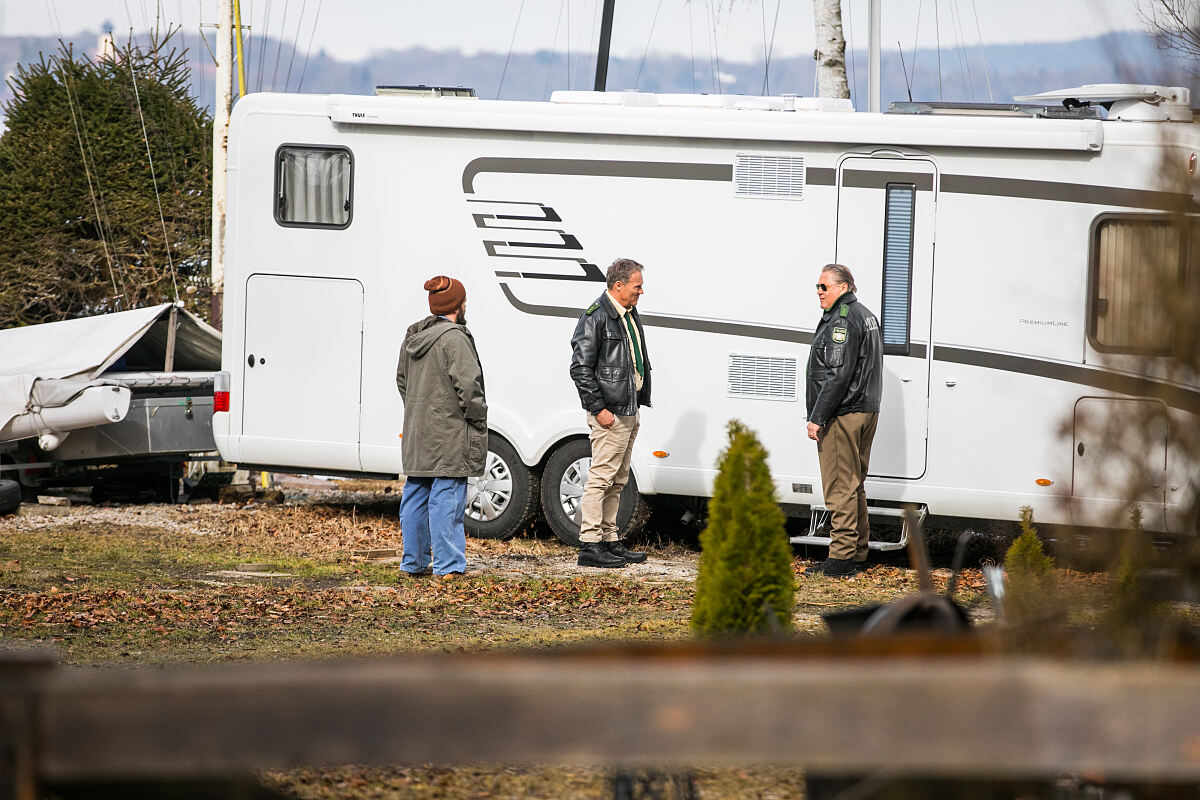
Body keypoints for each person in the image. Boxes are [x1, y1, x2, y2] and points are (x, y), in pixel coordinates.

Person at [395, 275, 487, 580]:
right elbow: (469, 388)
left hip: (417, 430)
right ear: (458, 306)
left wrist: (418, 410)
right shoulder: (455, 338)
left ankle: (413, 563)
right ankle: (448, 567)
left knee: (416, 496)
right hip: (448, 433)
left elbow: (401, 381)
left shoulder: (413, 336)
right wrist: (477, 417)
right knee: (446, 498)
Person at [569, 258, 652, 568]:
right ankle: (590, 545)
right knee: (601, 478)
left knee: (617, 479)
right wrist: (597, 408)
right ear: (619, 286)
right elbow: (580, 368)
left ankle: (610, 540)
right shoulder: (596, 317)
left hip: (628, 410)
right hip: (610, 413)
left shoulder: (627, 313)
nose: (642, 291)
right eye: (637, 286)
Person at [805, 264, 883, 578]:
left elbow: (837, 375)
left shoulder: (843, 321)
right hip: (866, 410)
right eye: (818, 287)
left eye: (824, 286)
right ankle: (858, 552)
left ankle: (839, 560)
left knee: (839, 486)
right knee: (855, 485)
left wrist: (817, 417)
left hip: (843, 413)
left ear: (844, 287)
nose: (819, 292)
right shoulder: (865, 315)